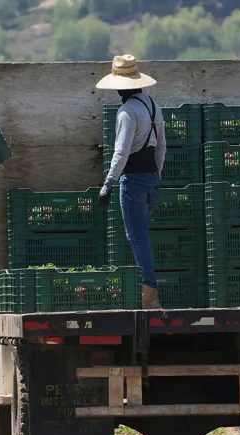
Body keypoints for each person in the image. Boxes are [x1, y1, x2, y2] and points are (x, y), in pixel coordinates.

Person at [96, 54, 167, 309]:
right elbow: (161, 146)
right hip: (150, 179)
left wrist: (108, 183)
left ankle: (149, 295)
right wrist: (156, 175)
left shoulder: (127, 112)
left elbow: (121, 151)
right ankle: (146, 290)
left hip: (134, 180)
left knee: (137, 236)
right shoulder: (152, 105)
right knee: (141, 234)